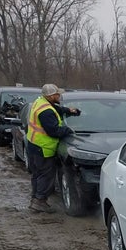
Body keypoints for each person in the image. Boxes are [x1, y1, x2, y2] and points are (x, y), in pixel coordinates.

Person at [25, 83, 80, 213]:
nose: (59, 96)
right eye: (57, 94)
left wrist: (68, 111)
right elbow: (54, 130)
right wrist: (68, 130)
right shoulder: (46, 112)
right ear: (50, 96)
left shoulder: (41, 102)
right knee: (46, 175)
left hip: (34, 145)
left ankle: (35, 198)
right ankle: (39, 201)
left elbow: (56, 109)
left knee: (38, 174)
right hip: (43, 148)